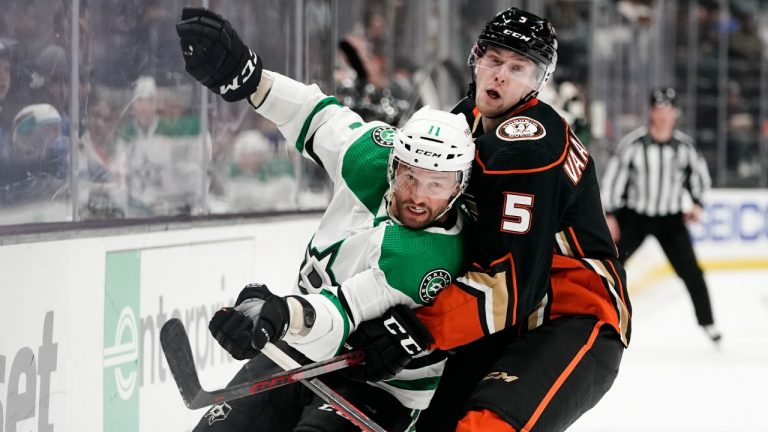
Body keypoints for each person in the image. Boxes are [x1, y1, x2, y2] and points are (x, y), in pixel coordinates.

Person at [175, 7, 474, 431]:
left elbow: (341, 312)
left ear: (459, 187)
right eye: (410, 177)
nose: (419, 198)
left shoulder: (426, 252)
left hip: (381, 386)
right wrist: (251, 78)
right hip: (303, 350)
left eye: (437, 185)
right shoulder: (369, 156)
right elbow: (316, 114)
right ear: (394, 164)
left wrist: (281, 313)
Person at [350, 8, 632, 432]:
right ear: (475, 58)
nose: (501, 75)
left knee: (486, 427)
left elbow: (510, 284)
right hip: (505, 320)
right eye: (494, 60)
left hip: (574, 318)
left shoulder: (530, 143)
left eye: (518, 68)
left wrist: (419, 328)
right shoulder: (466, 119)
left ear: (539, 81)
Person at [601, 87, 720, 343]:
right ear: (652, 112)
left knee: (692, 273)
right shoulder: (633, 145)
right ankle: (597, 317)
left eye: (668, 110)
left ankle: (708, 323)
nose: (663, 115)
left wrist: (697, 203)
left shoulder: (685, 148)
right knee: (611, 267)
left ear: (675, 113)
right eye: (658, 110)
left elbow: (700, 179)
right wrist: (610, 214)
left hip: (670, 220)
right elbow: (613, 180)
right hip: (635, 218)